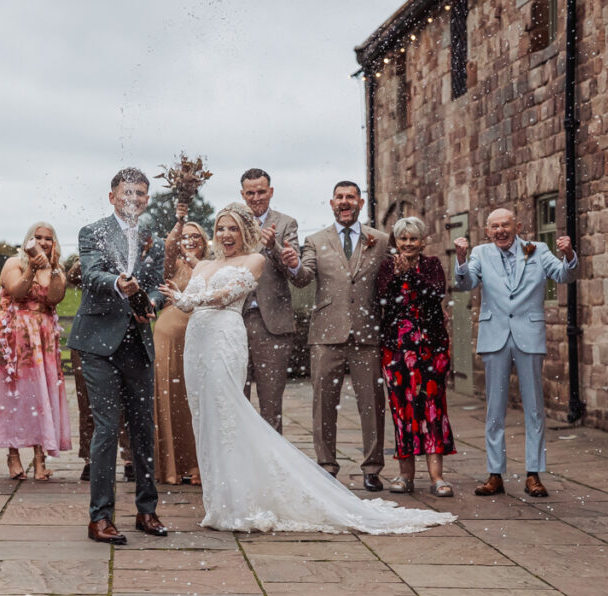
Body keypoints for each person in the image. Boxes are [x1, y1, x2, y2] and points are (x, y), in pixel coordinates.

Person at [162, 203, 455, 534]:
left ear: (244, 232)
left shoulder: (254, 260)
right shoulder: (203, 264)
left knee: (230, 415)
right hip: (197, 345)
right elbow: (184, 291)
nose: (225, 235)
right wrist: (181, 295)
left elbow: (226, 295)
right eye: (220, 229)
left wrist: (188, 302)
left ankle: (241, 499)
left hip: (223, 341)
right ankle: (218, 500)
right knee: (205, 417)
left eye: (232, 228)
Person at [69, 167, 167, 544]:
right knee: (107, 429)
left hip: (137, 344)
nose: (134, 199)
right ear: (112, 197)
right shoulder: (92, 232)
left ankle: (147, 510)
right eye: (128, 192)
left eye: (141, 193)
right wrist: (118, 284)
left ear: (146, 199)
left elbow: (157, 286)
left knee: (144, 428)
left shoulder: (152, 241)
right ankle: (100, 518)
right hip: (98, 344)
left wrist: (153, 304)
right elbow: (92, 275)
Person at [454, 208, 578, 497]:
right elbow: (466, 283)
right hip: (494, 336)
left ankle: (533, 474)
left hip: (528, 335)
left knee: (534, 407)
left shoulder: (538, 249)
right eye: (494, 226)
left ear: (517, 226)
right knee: (494, 408)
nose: (500, 230)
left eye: (505, 225)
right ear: (487, 231)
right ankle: (494, 474)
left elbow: (564, 276)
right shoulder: (481, 253)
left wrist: (569, 254)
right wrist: (460, 259)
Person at [284, 181, 389, 491]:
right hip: (327, 332)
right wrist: (293, 266)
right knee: (323, 402)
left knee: (371, 402)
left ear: (360, 202)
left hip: (367, 332)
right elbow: (304, 279)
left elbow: (392, 282)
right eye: (340, 197)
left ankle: (372, 468)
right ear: (331, 203)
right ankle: (326, 466)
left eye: (350, 197)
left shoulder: (380, 240)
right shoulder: (315, 240)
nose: (345, 202)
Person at [0, 221, 71, 481]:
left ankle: (40, 460)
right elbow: (17, 292)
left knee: (41, 395)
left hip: (43, 338)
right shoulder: (13, 264)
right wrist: (32, 267)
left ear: (54, 243)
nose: (42, 241)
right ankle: (13, 453)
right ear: (28, 239)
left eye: (48, 238)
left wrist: (48, 269)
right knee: (14, 395)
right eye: (37, 237)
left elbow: (55, 298)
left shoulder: (56, 270)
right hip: (12, 336)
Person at [375, 217, 456, 497]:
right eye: (403, 239)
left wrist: (411, 274)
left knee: (433, 408)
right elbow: (382, 299)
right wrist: (398, 276)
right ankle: (404, 475)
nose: (408, 244)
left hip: (431, 348)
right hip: (397, 349)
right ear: (396, 241)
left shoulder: (432, 265)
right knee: (402, 410)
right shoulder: (387, 267)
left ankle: (437, 477)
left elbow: (436, 294)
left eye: (413, 239)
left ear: (422, 241)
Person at [239, 169, 301, 432]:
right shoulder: (232, 222)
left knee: (271, 404)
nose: (256, 198)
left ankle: (271, 468)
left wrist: (274, 246)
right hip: (235, 321)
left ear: (271, 192)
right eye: (250, 193)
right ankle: (237, 463)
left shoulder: (286, 223)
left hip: (272, 324)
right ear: (242, 194)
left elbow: (296, 273)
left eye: (261, 191)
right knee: (235, 400)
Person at [154, 204, 209, 485]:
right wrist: (179, 220)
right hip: (167, 335)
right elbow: (170, 246)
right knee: (169, 397)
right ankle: (170, 466)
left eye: (195, 236)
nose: (189, 239)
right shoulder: (172, 265)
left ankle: (197, 464)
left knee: (195, 400)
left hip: (199, 336)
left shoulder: (209, 268)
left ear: (204, 241)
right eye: (185, 236)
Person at [67, 259, 133, 483]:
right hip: (88, 337)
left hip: (123, 335)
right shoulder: (92, 257)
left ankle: (129, 459)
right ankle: (90, 459)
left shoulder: (129, 258)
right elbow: (73, 277)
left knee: (125, 402)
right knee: (88, 403)